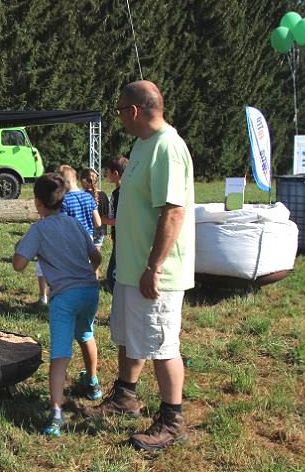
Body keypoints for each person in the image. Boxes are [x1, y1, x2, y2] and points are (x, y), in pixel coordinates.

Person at [83, 80, 195, 452]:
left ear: (133, 110)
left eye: (119, 109)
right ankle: (125, 398)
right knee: (130, 337)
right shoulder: (142, 145)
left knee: (162, 344)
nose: (118, 116)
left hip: (155, 273)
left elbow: (174, 211)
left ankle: (173, 419)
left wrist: (155, 266)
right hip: (131, 269)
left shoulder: (168, 147)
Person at [13, 173, 103, 437]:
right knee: (86, 334)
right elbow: (96, 257)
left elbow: (18, 265)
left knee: (60, 355)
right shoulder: (75, 225)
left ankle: (55, 414)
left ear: (38, 203)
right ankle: (93, 383)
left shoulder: (38, 230)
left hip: (64, 298)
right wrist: (86, 273)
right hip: (89, 292)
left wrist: (22, 246)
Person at [102, 156, 129, 292]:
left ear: (115, 173)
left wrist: (102, 220)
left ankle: (118, 309)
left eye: (107, 171)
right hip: (119, 239)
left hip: (122, 239)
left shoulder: (121, 193)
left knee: (112, 277)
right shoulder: (120, 192)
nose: (105, 174)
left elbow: (121, 220)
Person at [80, 167, 110, 277]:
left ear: (84, 181)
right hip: (101, 230)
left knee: (87, 259)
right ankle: (95, 279)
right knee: (95, 259)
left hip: (87, 230)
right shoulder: (103, 195)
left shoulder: (82, 196)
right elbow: (106, 214)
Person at [58, 165, 101, 238]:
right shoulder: (88, 197)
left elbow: (63, 225)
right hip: (88, 238)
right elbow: (98, 223)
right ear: (76, 179)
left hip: (73, 238)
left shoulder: (64, 200)